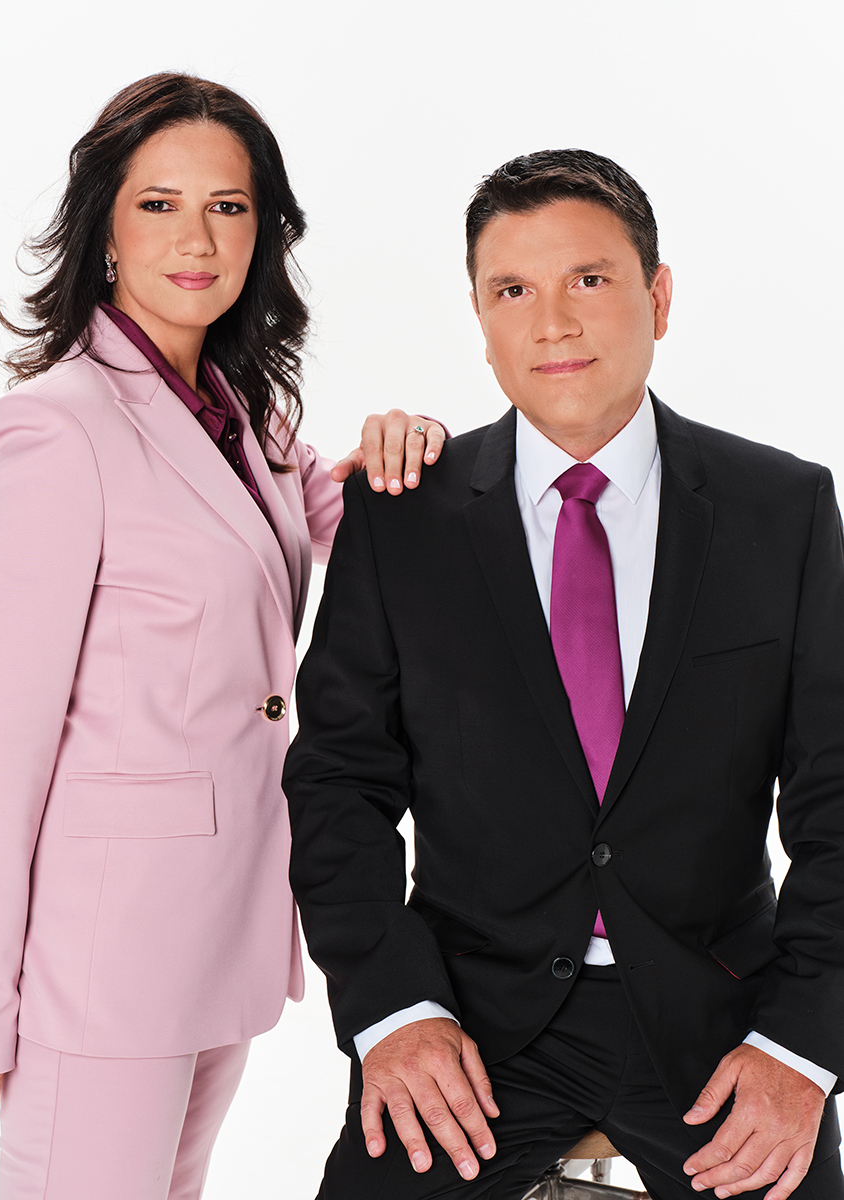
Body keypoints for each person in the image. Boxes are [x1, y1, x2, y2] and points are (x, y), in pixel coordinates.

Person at [284, 148, 844, 1200]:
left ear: (658, 297)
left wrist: (802, 1046)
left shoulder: (782, 509)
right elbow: (337, 786)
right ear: (480, 317)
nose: (553, 323)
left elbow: (837, 799)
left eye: (589, 279)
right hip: (469, 1021)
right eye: (513, 291)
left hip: (722, 1023)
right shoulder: (404, 519)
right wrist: (396, 1012)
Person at [0, 72, 445, 1200]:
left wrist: (410, 444)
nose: (197, 238)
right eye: (159, 204)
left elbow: (353, 523)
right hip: (100, 957)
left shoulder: (241, 415)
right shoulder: (54, 430)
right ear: (104, 228)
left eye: (228, 206)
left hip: (217, 932)